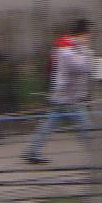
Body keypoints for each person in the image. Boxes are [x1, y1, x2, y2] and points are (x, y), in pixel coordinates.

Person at [23, 19, 93, 165]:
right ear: (79, 34)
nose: (88, 39)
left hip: (65, 96)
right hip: (68, 97)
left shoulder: (71, 48)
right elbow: (79, 68)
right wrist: (86, 53)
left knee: (49, 124)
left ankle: (31, 152)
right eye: (86, 36)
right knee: (84, 125)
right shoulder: (67, 50)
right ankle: (97, 157)